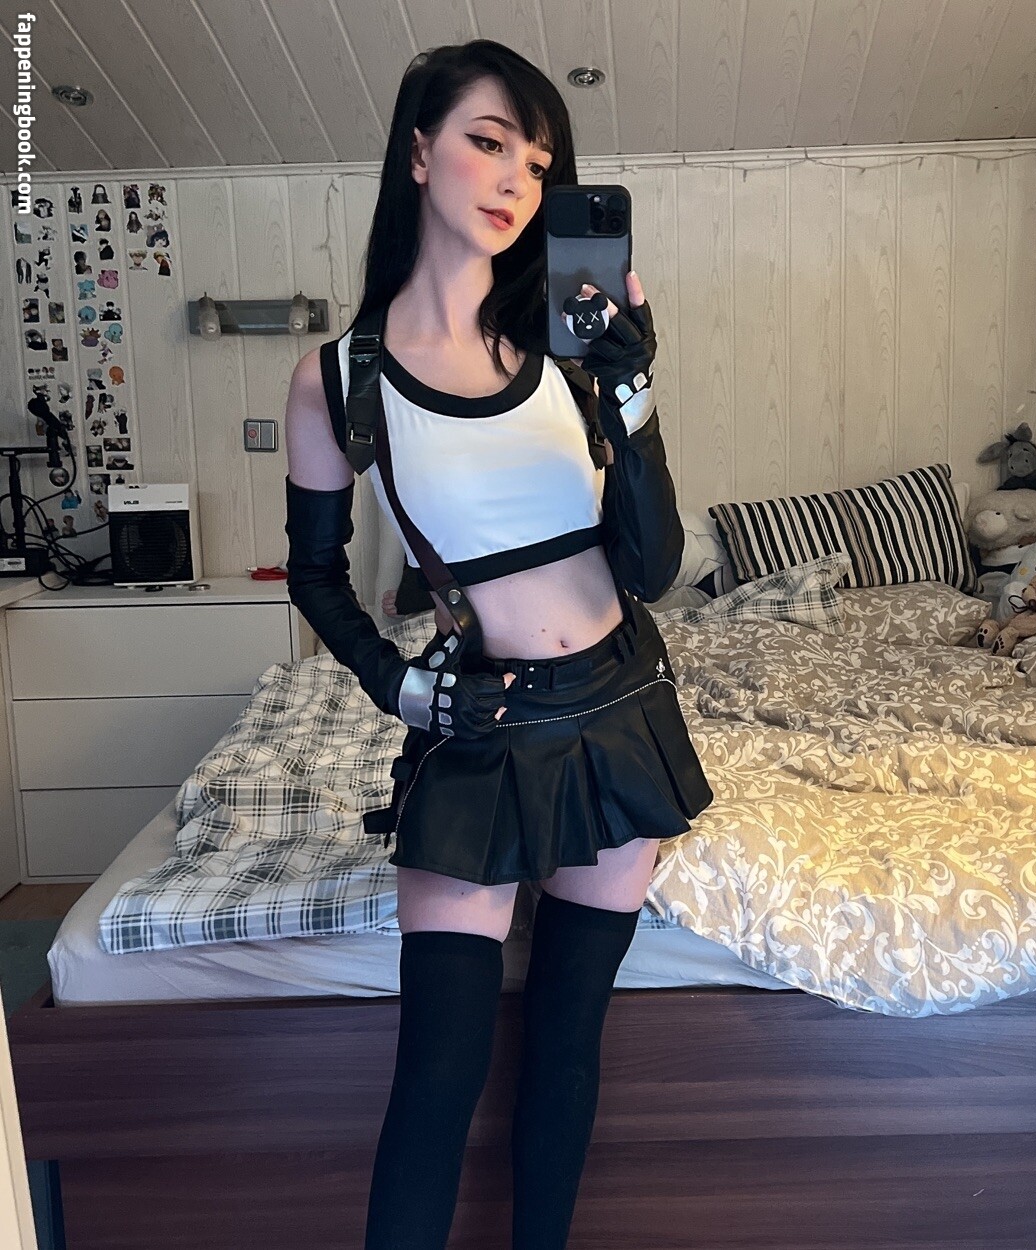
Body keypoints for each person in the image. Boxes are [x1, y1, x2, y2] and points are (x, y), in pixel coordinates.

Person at [282, 39, 713, 1250]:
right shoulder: (340, 380)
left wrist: (632, 396)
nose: (516, 178)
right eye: (488, 141)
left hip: (618, 712)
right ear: (419, 152)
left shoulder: (566, 350)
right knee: (437, 1073)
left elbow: (652, 564)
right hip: (479, 727)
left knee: (565, 1047)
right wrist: (398, 687)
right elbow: (315, 573)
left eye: (537, 159)